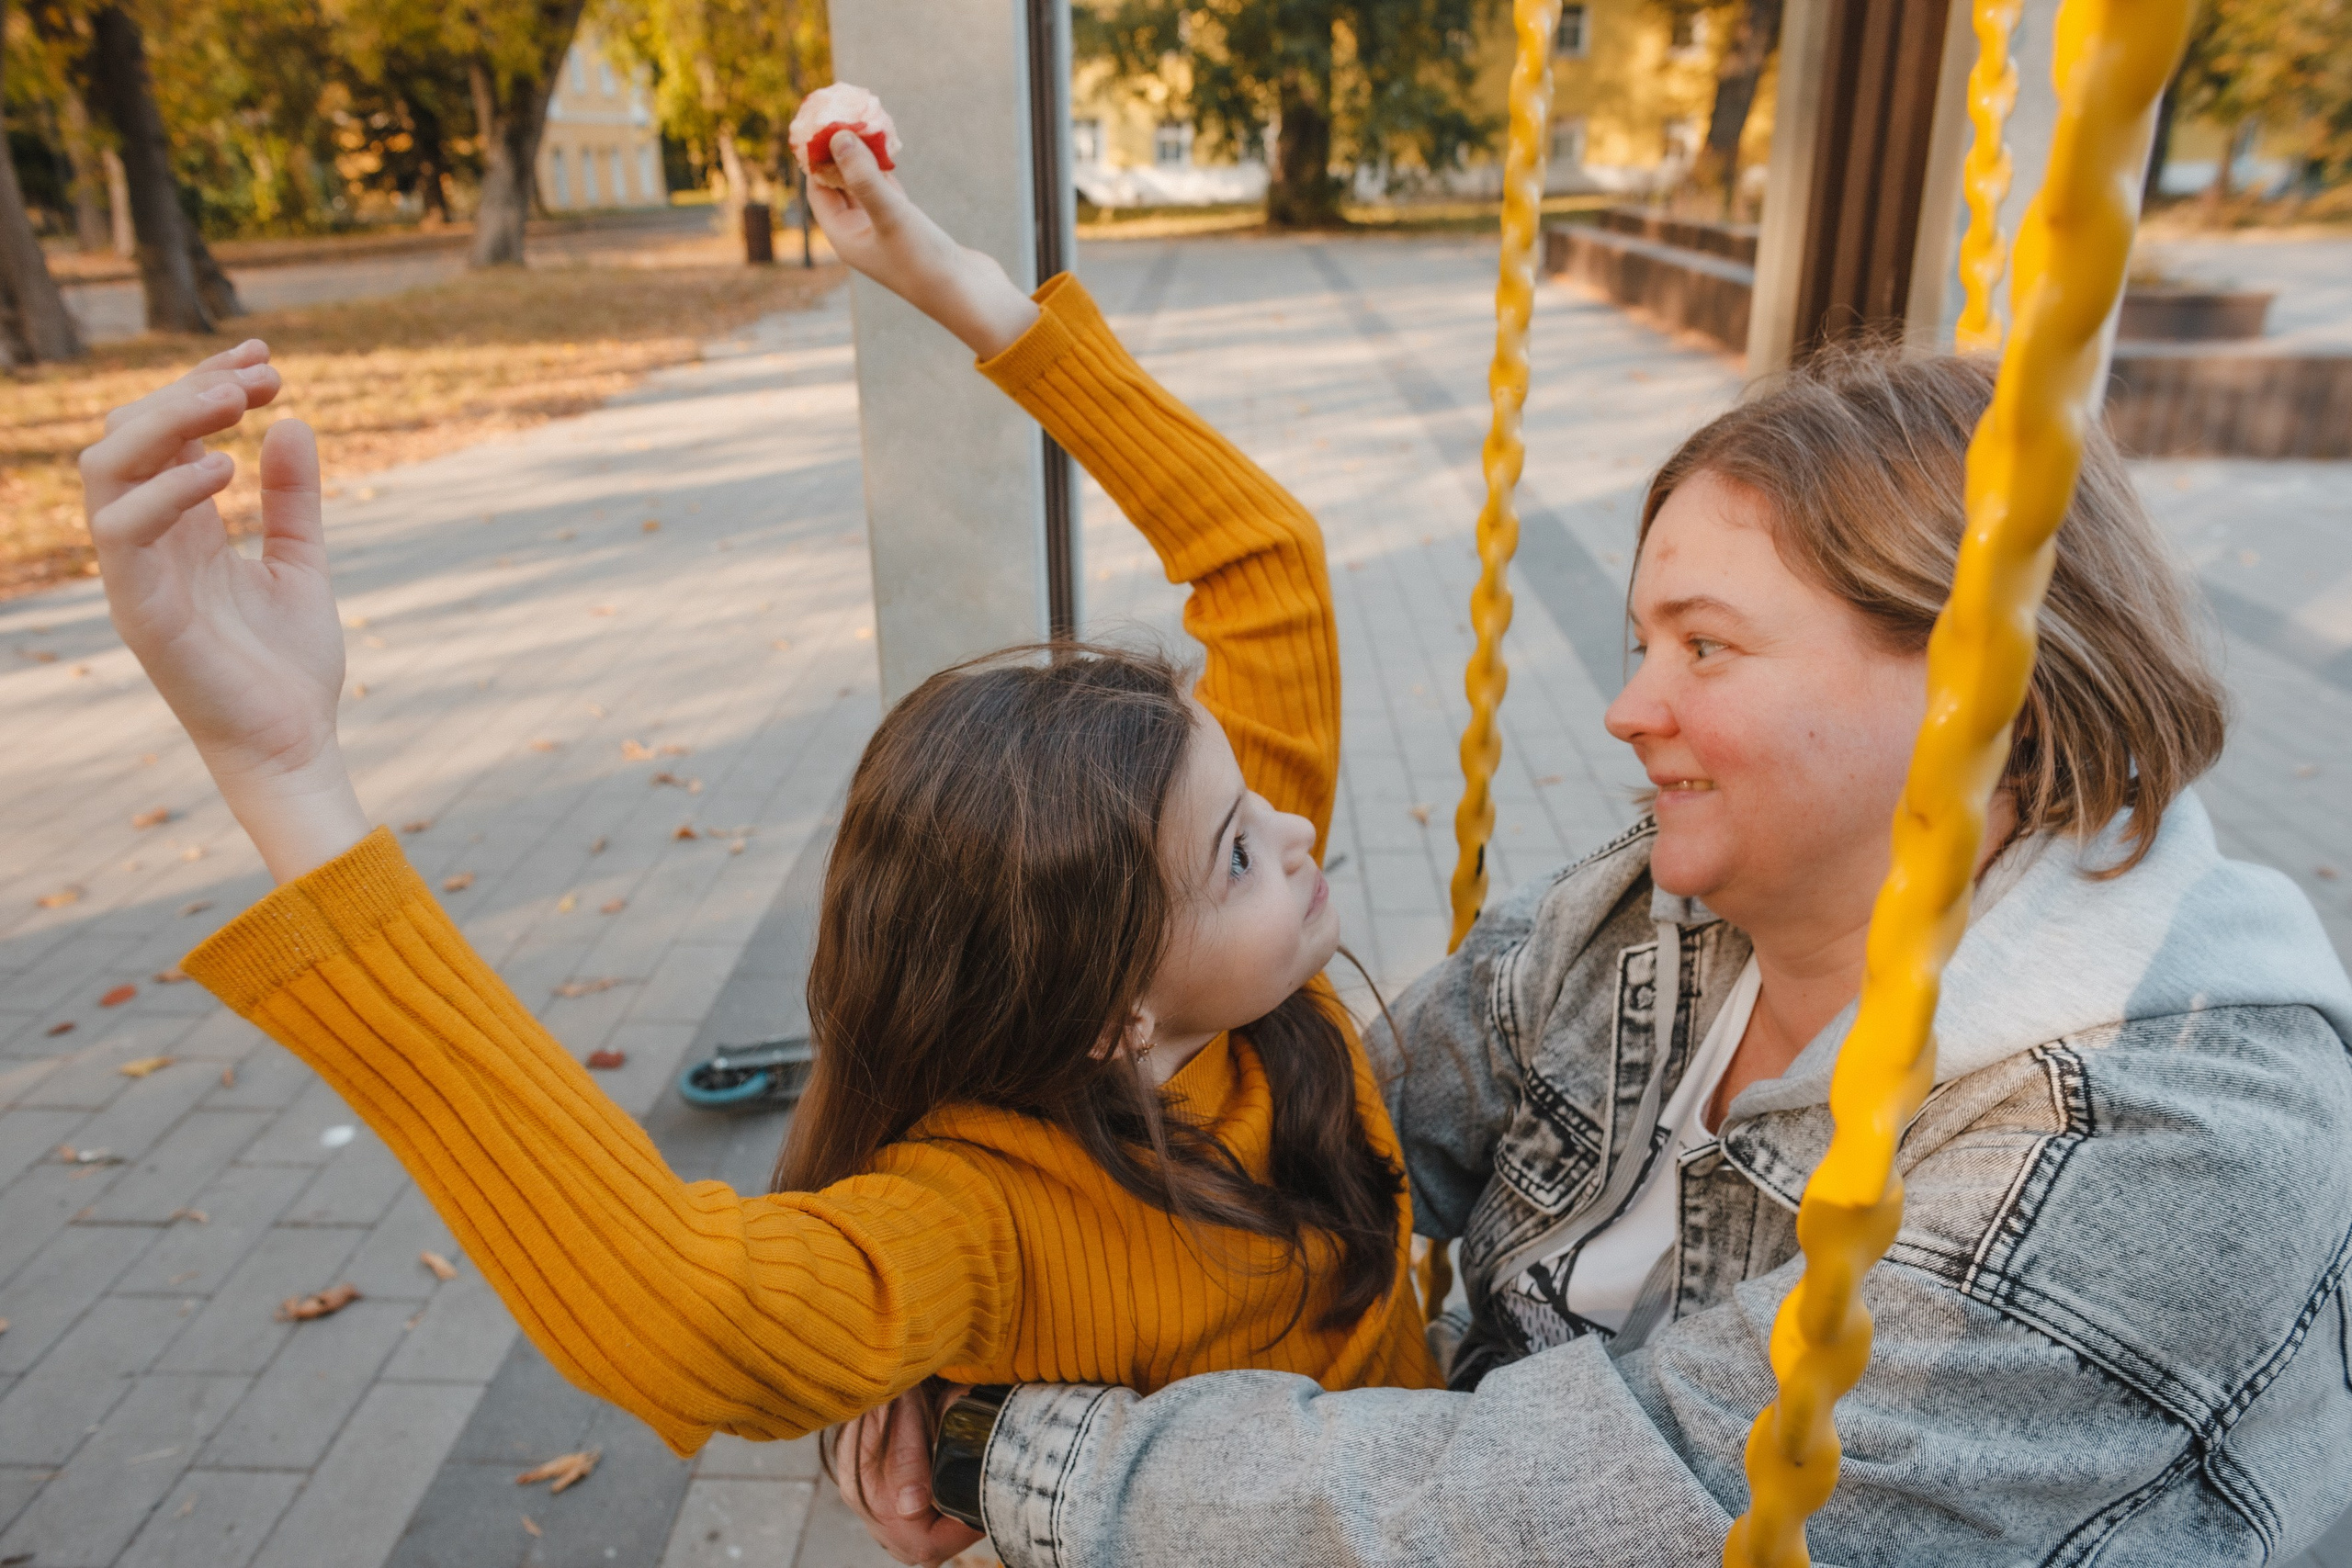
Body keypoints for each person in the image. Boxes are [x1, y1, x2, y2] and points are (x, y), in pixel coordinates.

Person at [80, 130, 1443, 1483]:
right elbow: (689, 1315)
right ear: (1109, 1015)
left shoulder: (1235, 955)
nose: (1298, 829)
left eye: (1255, 810)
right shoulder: (982, 1218)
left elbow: (1266, 565)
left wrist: (962, 287)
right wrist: (284, 774)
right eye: (1242, 851)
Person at [837, 348, 2352, 1563]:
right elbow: (1340, 1133)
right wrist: (981, 1284)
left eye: (1704, 647)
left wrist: (1020, 1455)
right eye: (1638, 644)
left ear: (1979, 688)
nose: (1629, 709)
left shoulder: (2162, 1131)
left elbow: (1628, 1502)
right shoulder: (1661, 911)